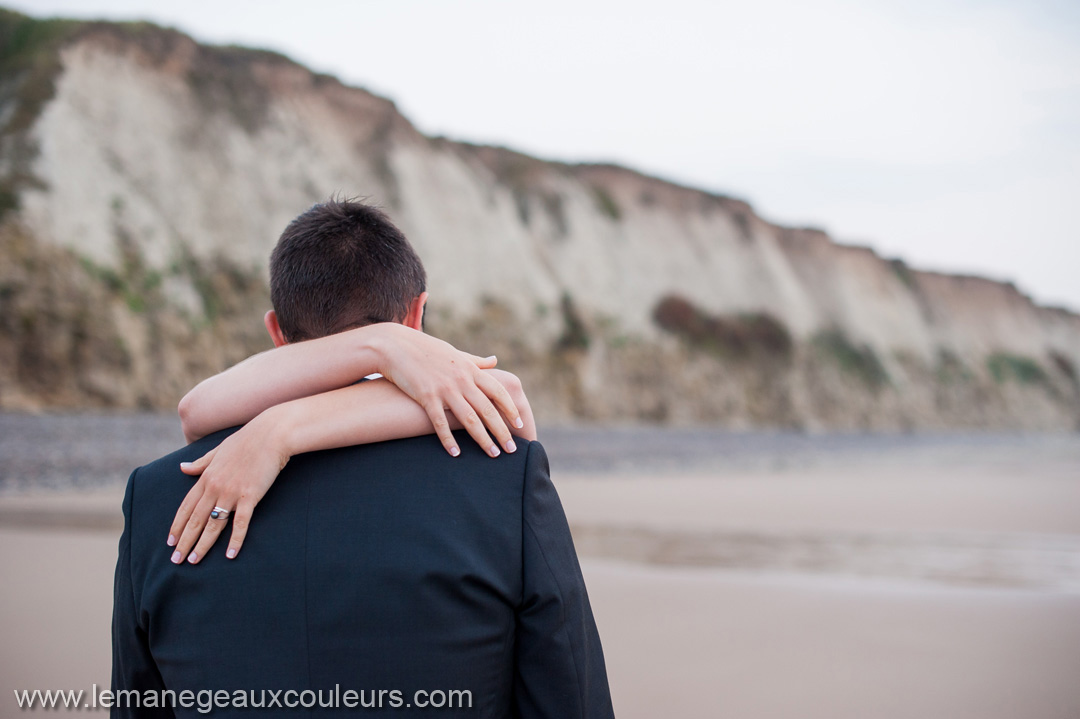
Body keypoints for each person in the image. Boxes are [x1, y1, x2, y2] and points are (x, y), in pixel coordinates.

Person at [111, 199, 615, 717]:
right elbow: (568, 698)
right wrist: (379, 346)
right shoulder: (505, 477)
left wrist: (282, 427)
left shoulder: (157, 496)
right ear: (416, 316)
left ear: (276, 333)